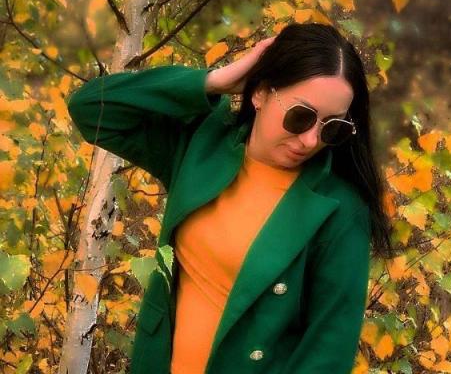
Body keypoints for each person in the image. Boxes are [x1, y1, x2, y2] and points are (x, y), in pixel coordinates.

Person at [66, 22, 393, 373]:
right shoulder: (201, 146)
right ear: (261, 93)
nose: (311, 140)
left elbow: (328, 352)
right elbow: (92, 109)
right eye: (301, 117)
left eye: (332, 127)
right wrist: (214, 82)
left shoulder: (340, 209)